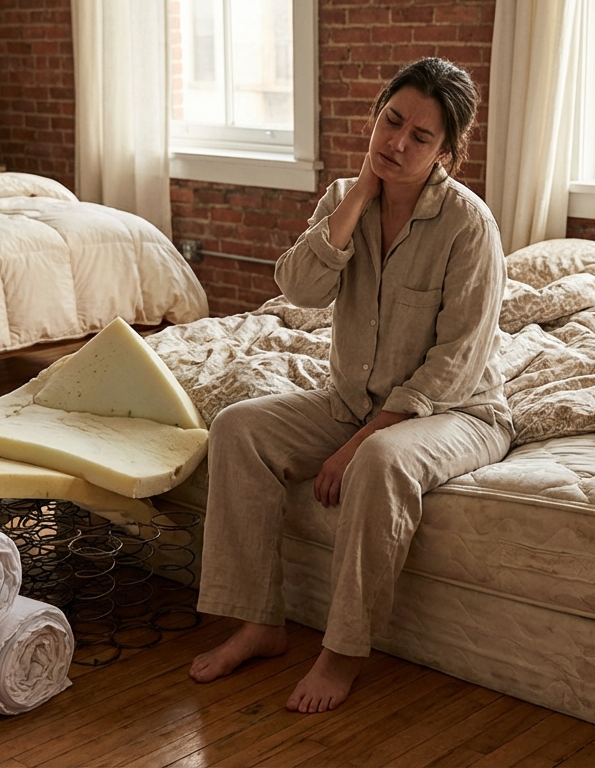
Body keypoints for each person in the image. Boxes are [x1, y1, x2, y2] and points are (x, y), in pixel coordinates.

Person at [187, 57, 513, 713]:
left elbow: (454, 361)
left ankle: (343, 653)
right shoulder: (344, 198)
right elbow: (299, 288)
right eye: (391, 121)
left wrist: (358, 443)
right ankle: (259, 623)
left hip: (457, 412)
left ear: (448, 151)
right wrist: (361, 195)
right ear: (374, 116)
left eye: (420, 137)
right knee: (238, 428)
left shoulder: (469, 227)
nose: (396, 142)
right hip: (353, 400)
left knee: (381, 463)